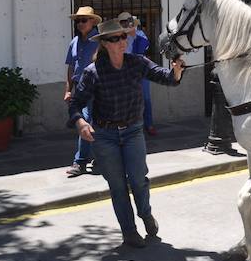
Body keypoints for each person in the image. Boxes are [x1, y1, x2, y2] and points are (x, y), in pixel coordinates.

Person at [67, 18, 184, 247]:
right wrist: (80, 123)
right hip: (105, 136)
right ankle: (129, 232)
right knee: (118, 186)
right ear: (105, 44)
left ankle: (145, 214)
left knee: (139, 179)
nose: (121, 41)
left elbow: (165, 77)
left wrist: (176, 71)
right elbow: (75, 103)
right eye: (115, 39)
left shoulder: (137, 62)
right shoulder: (93, 72)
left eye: (123, 37)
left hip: (132, 131)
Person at [64, 6, 101, 177]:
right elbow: (71, 68)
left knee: (86, 121)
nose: (80, 23)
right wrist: (68, 90)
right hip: (79, 88)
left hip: (95, 88)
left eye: (83, 20)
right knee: (88, 123)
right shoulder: (74, 42)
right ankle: (98, 158)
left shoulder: (100, 41)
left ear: (93, 21)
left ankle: (80, 162)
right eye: (78, 21)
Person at [118, 12, 156, 136]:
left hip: (140, 71)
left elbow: (141, 50)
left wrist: (133, 35)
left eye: (127, 22)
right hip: (124, 71)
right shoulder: (119, 37)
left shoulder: (139, 34)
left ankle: (149, 124)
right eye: (123, 23)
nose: (125, 25)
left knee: (145, 98)